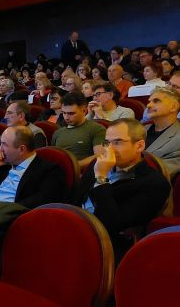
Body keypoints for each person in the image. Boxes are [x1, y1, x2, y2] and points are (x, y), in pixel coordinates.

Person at [73, 119, 170, 261]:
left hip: (107, 246)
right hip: (77, 228)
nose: (109, 149)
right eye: (107, 143)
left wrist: (101, 178)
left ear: (139, 146)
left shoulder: (154, 183)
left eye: (117, 142)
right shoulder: (98, 163)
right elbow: (76, 199)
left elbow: (114, 224)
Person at [0, 126, 68, 208]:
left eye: (5, 144)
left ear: (21, 149)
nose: (0, 149)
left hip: (10, 216)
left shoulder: (50, 171)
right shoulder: (2, 165)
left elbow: (40, 202)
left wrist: (1, 209)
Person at [52, 92, 106, 169]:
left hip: (83, 175)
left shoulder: (97, 129)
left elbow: (100, 156)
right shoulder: (58, 133)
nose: (66, 117)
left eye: (71, 113)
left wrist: (72, 167)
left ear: (84, 111)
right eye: (64, 113)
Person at [144, 87, 180, 175]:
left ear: (173, 107)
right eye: (149, 101)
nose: (148, 105)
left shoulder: (178, 139)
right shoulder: (142, 129)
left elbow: (162, 173)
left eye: (156, 101)